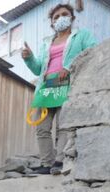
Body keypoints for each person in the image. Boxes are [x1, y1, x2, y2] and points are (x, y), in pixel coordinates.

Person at [22, 3, 97, 175]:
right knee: (42, 127)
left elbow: (92, 52)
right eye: (56, 17)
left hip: (67, 85)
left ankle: (60, 161)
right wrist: (29, 58)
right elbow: (37, 68)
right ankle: (46, 163)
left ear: (72, 17)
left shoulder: (82, 36)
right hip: (46, 87)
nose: (60, 18)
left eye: (64, 14)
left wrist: (70, 67)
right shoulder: (46, 42)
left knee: (64, 125)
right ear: (52, 23)